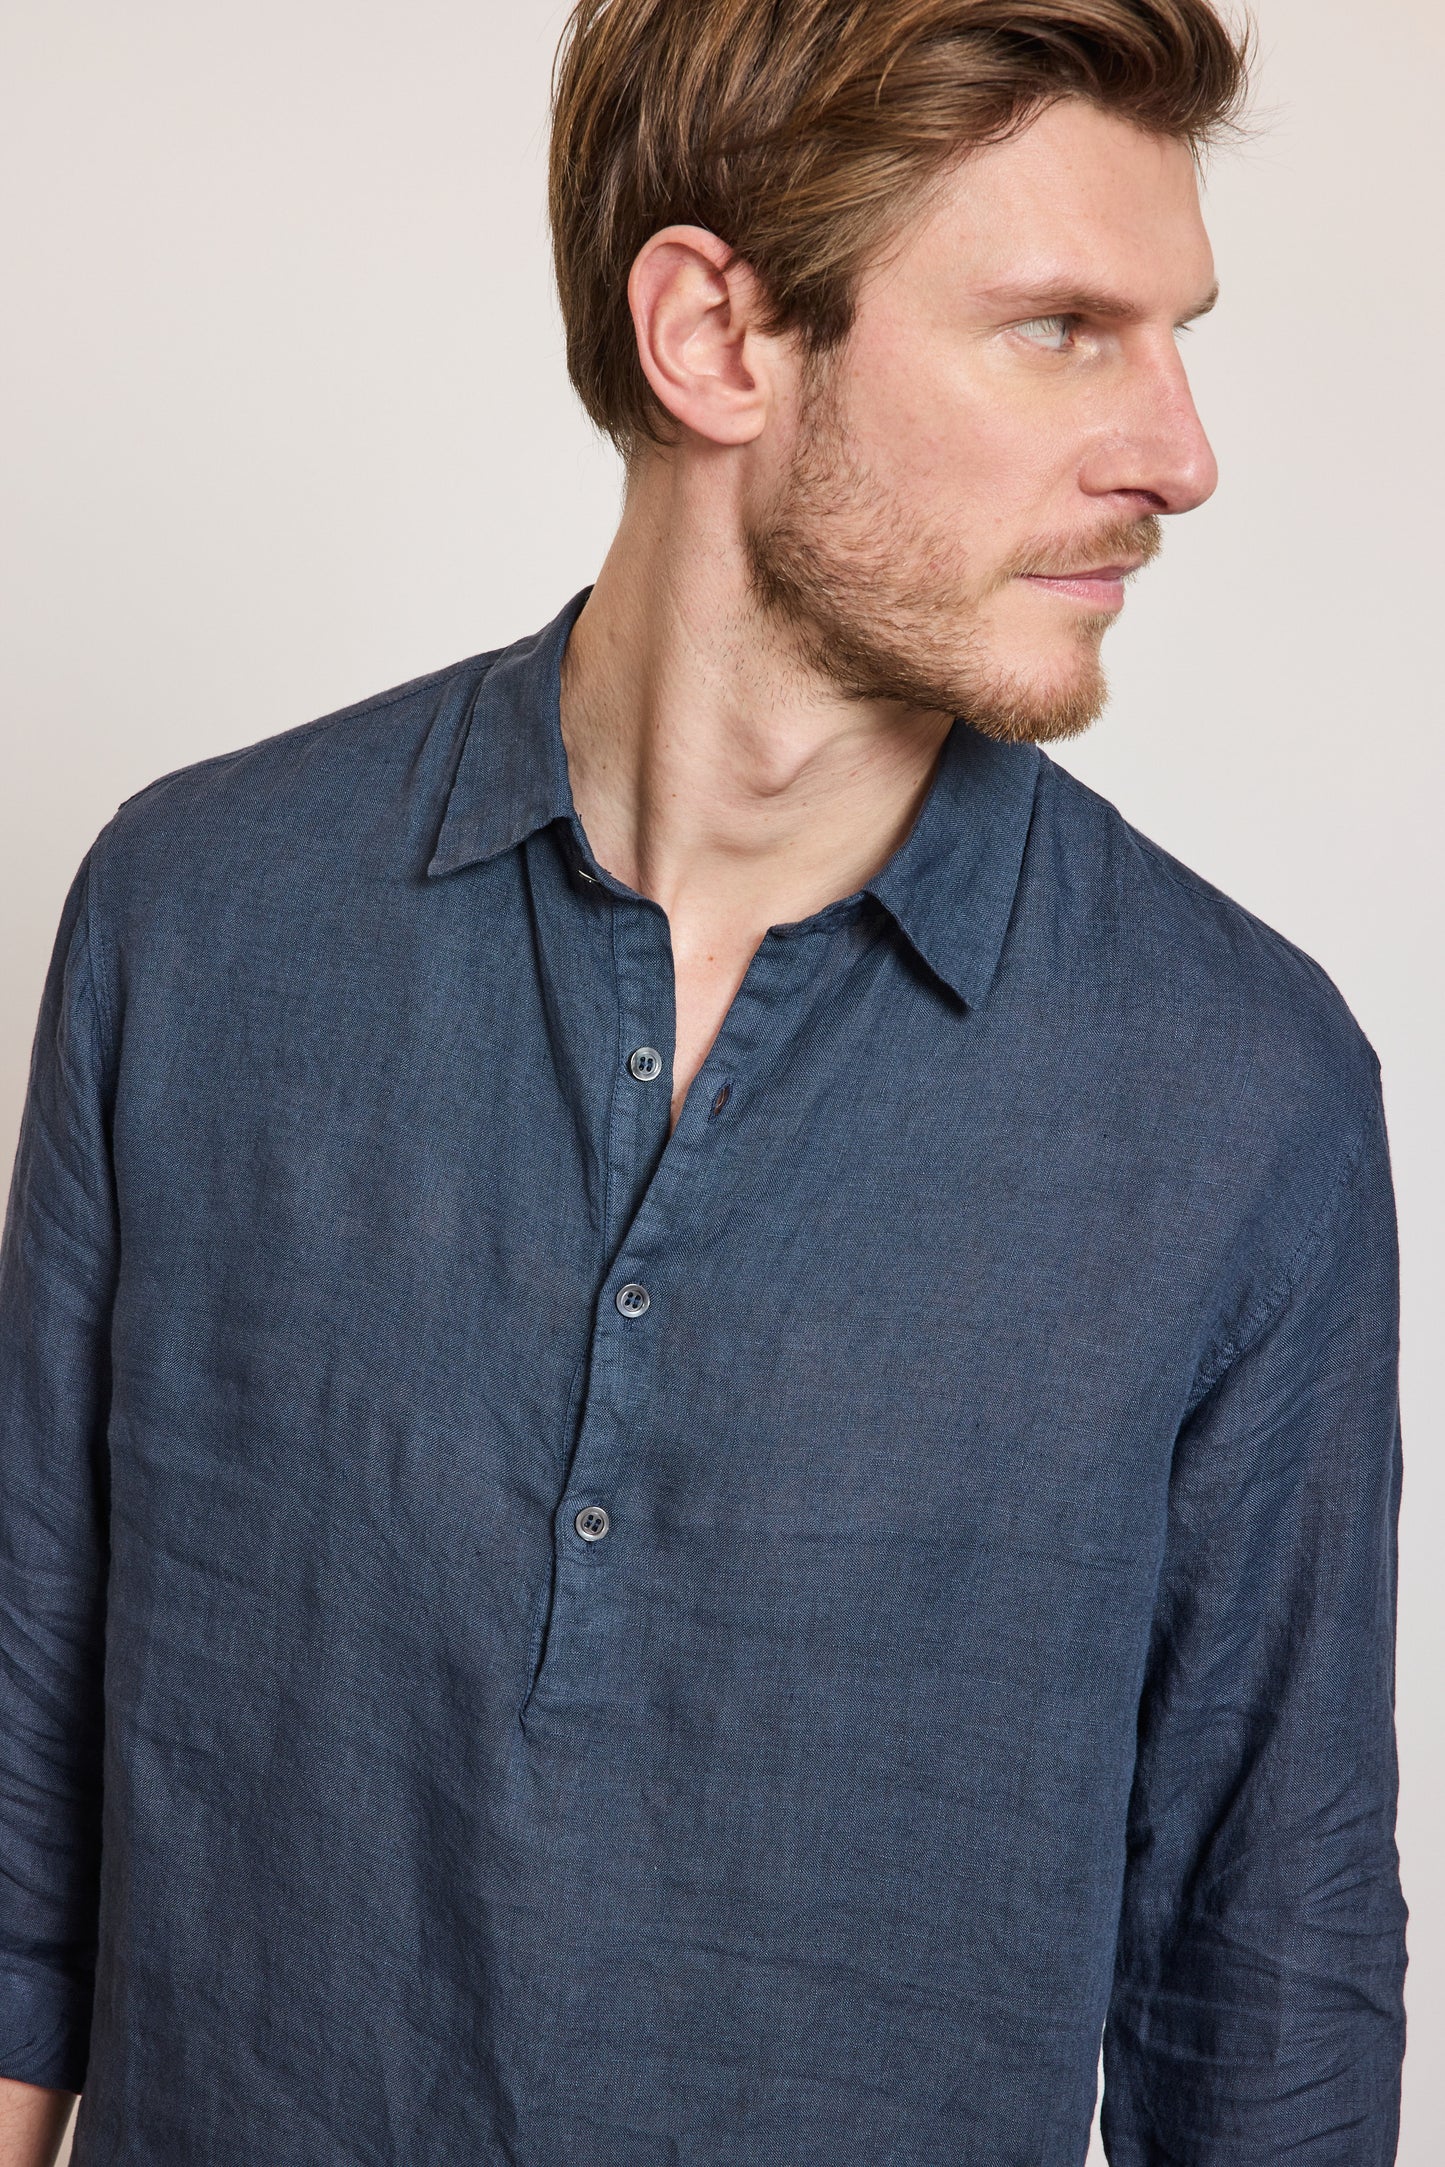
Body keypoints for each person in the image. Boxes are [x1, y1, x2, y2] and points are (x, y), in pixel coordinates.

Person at [0, 0, 1409, 2159]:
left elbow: (1266, 1979)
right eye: (1058, 329)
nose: (1179, 452)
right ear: (716, 335)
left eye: (1174, 334)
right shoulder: (199, 922)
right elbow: (29, 1787)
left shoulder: (1246, 1091)